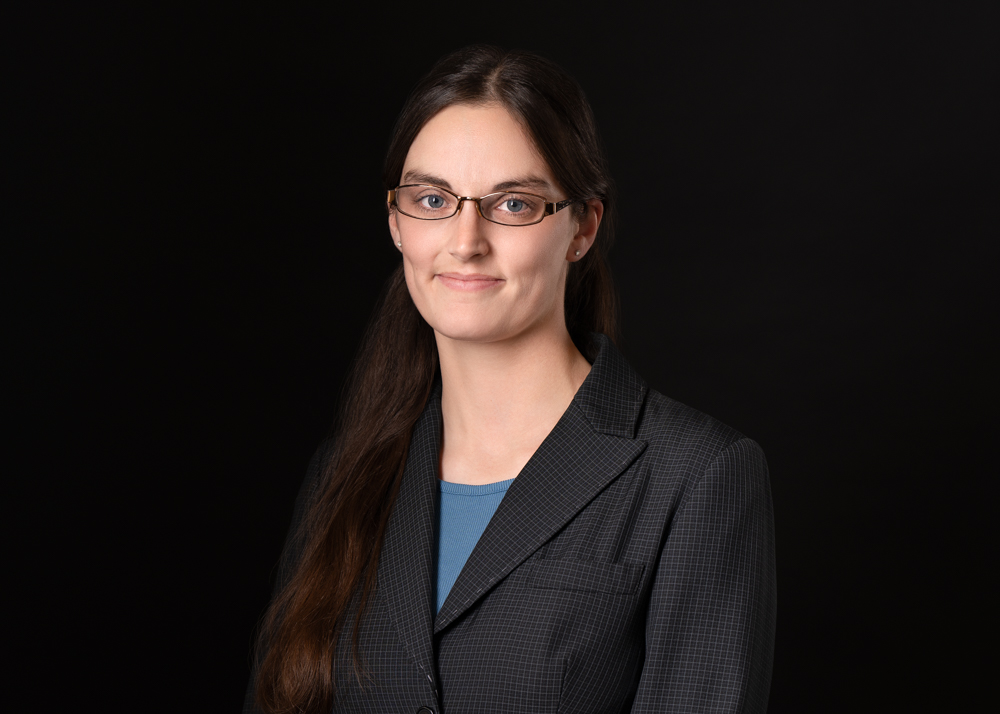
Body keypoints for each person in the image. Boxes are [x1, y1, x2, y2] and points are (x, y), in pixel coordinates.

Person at [245, 45, 776, 714]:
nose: (465, 240)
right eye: (432, 198)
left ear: (582, 226)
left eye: (513, 205)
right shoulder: (347, 471)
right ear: (395, 220)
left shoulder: (695, 475)